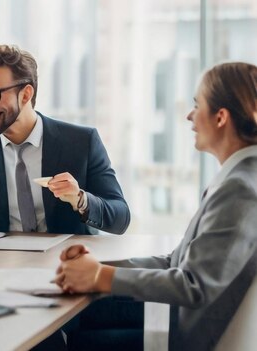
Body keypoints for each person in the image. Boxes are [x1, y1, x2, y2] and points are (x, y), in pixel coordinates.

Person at [56, 62, 257, 350]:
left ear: (221, 117)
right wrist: (94, 268)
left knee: (73, 334)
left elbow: (193, 285)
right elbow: (173, 262)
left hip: (182, 337)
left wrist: (101, 276)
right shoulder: (238, 178)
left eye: (197, 105)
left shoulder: (240, 189)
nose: (189, 116)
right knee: (77, 318)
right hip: (181, 320)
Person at [0, 44, 130, 242]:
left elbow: (121, 218)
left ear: (26, 94)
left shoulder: (81, 142)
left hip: (66, 265)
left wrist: (81, 199)